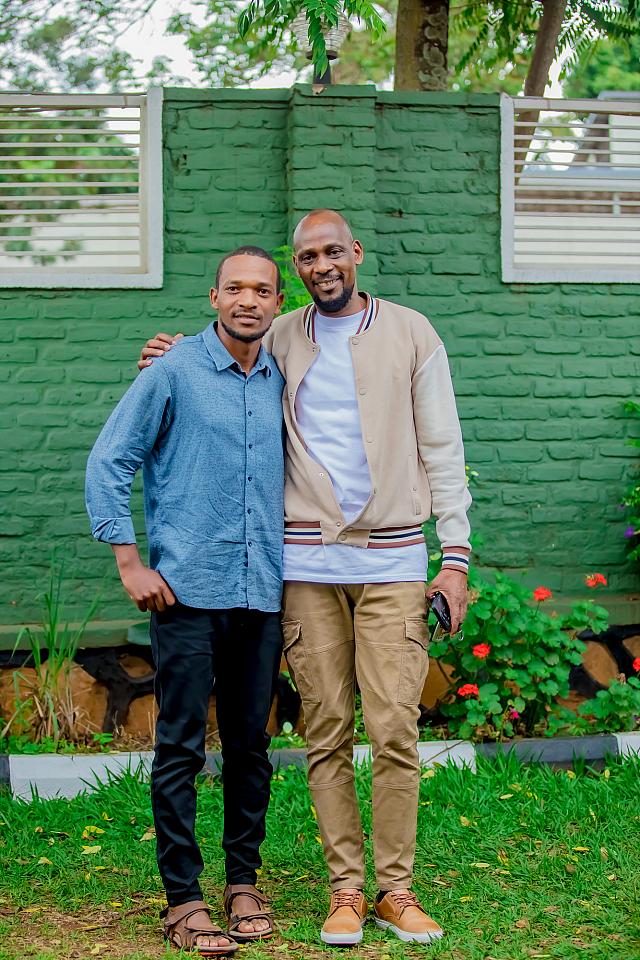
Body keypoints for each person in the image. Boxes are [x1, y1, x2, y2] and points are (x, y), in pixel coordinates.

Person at [139, 210, 471, 947]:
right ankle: (345, 890)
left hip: (392, 563)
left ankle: (396, 890)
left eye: (332, 251)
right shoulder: (282, 335)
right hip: (307, 569)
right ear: (296, 270)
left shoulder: (411, 333)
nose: (322, 265)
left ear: (356, 253)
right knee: (324, 732)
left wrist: (455, 556)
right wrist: (170, 356)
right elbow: (218, 357)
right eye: (308, 257)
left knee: (394, 729)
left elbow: (444, 447)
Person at [86, 246, 287, 956]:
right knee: (181, 745)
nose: (248, 300)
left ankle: (243, 883)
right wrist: (128, 560)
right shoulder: (171, 371)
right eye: (235, 288)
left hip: (261, 591)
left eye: (262, 290)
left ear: (278, 303)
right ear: (214, 297)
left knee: (252, 745)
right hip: (187, 593)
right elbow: (109, 460)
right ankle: (183, 898)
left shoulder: (283, 374)